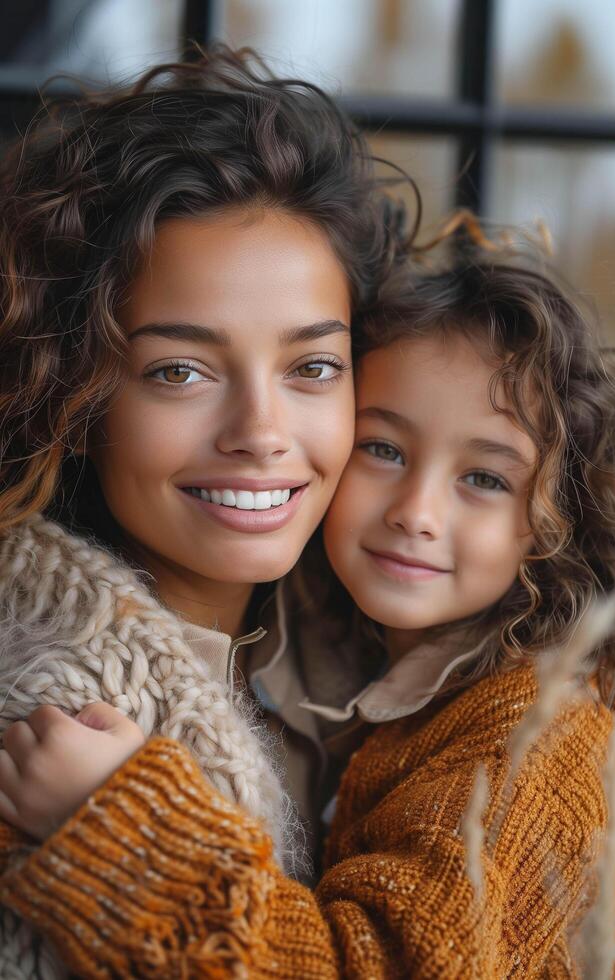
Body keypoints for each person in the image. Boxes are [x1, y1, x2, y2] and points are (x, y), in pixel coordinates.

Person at [1, 245, 615, 977]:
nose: (417, 513)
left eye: (483, 477)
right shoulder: (329, 654)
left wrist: (116, 825)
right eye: (383, 448)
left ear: (552, 516)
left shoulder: (547, 738)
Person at [0, 45, 411, 975]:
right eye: (179, 371)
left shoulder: (398, 660)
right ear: (74, 390)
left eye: (312, 367)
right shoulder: (39, 720)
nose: (262, 432)